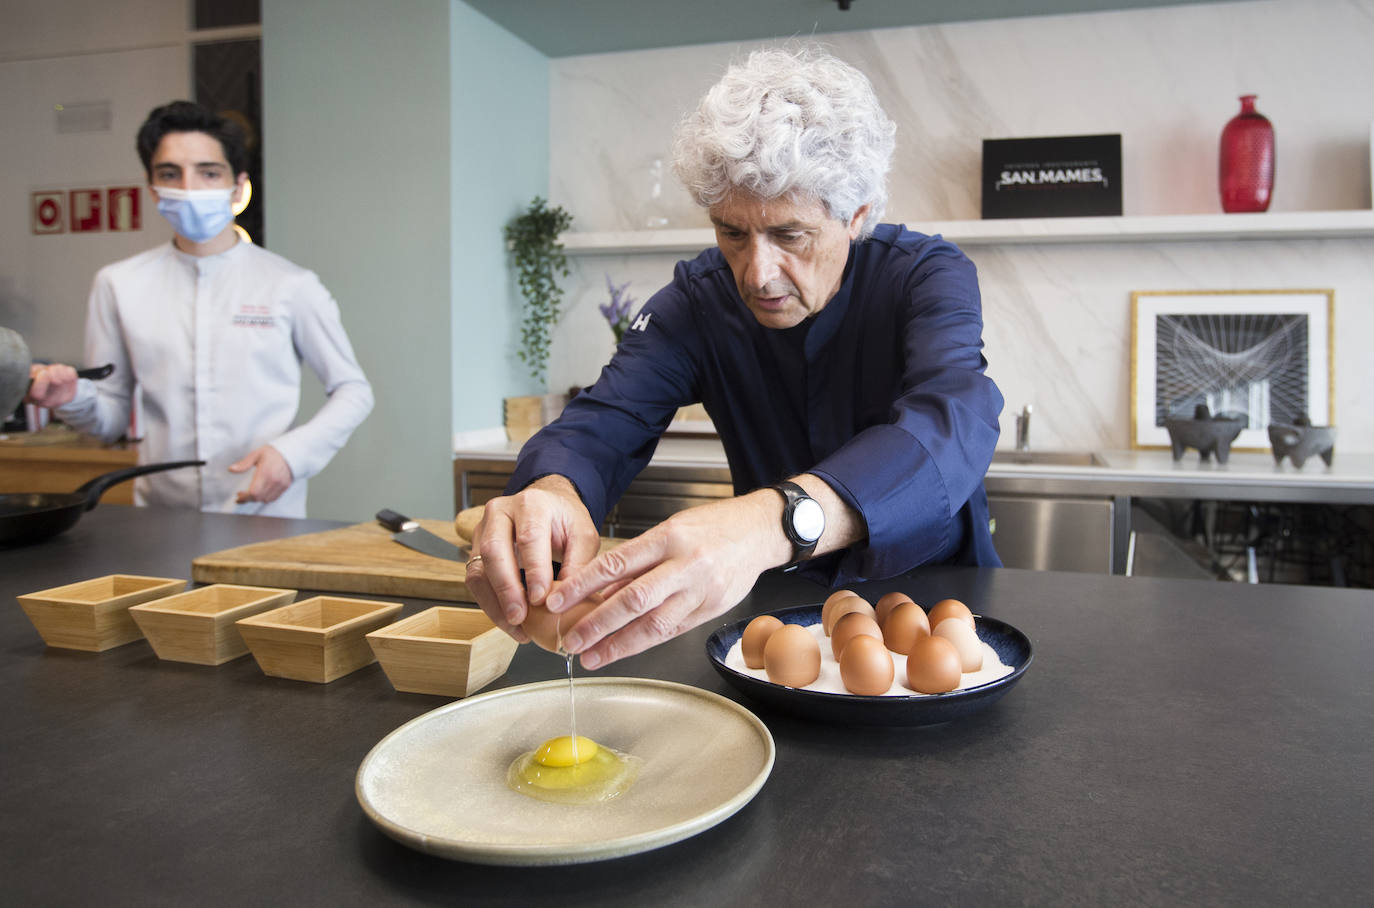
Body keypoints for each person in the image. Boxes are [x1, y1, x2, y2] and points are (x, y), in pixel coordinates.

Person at [467, 46, 1003, 669]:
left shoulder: (926, 276)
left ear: (856, 216)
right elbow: (604, 419)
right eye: (731, 232)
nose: (757, 273)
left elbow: (953, 421)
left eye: (789, 235)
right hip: (774, 611)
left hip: (941, 603)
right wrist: (551, 489)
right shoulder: (696, 303)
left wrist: (766, 525)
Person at [25, 101, 373, 517]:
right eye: (171, 174)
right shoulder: (118, 284)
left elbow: (353, 391)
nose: (189, 187)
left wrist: (292, 454)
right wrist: (72, 398)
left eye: (209, 172)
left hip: (265, 515)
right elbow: (110, 417)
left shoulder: (289, 284)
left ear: (238, 185)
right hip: (160, 518)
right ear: (152, 188)